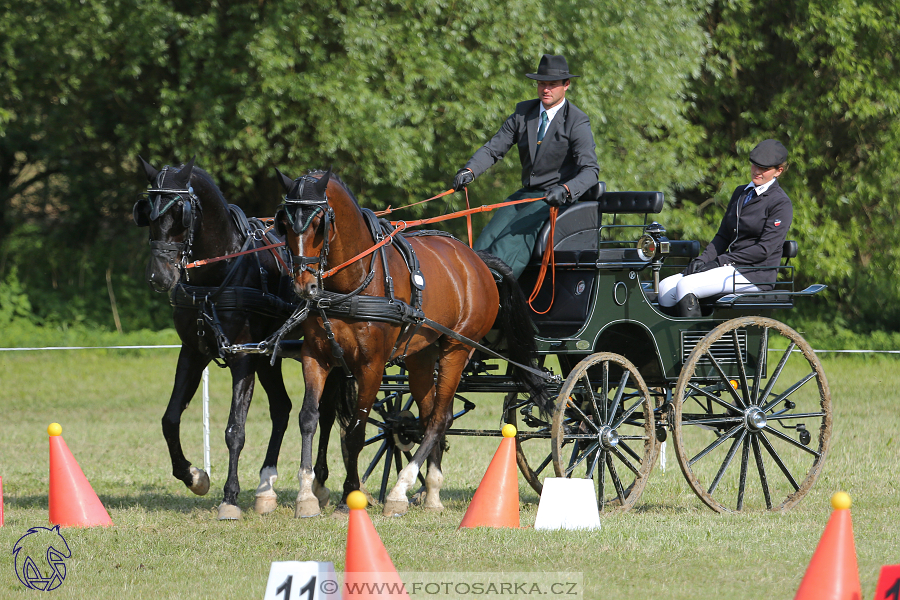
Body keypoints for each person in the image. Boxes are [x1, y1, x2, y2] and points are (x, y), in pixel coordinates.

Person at [451, 54, 600, 278]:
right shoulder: (523, 113)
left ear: (566, 85)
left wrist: (566, 189)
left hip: (553, 198)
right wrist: (470, 170)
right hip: (523, 196)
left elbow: (590, 170)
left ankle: (499, 295)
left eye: (552, 85)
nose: (546, 89)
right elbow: (493, 149)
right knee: (481, 247)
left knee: (506, 248)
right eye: (542, 84)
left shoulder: (577, 121)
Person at [658, 139, 793, 317]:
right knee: (665, 286)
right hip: (729, 268)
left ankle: (698, 344)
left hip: (755, 273)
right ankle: (674, 343)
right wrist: (703, 260)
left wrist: (719, 262)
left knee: (686, 285)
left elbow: (763, 249)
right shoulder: (740, 193)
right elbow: (723, 236)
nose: (757, 171)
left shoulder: (780, 203)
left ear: (778, 171)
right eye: (755, 165)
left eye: (764, 168)